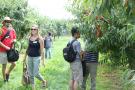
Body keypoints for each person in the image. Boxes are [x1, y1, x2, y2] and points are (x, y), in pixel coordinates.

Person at [23, 25, 46, 90]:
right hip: (29, 57)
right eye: (32, 29)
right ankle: (33, 88)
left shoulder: (40, 39)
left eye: (34, 29)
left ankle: (43, 81)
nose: (33, 30)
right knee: (30, 73)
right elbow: (28, 48)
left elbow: (42, 51)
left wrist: (43, 61)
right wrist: (24, 58)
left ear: (37, 30)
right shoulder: (30, 38)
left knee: (35, 73)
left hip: (36, 58)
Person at [0, 17, 16, 82]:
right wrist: (6, 47)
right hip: (2, 51)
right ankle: (4, 79)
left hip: (10, 51)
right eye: (7, 21)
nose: (8, 22)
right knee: (4, 65)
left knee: (14, 64)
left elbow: (14, 38)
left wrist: (14, 41)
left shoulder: (12, 30)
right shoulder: (1, 30)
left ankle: (7, 73)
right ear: (4, 22)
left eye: (9, 21)